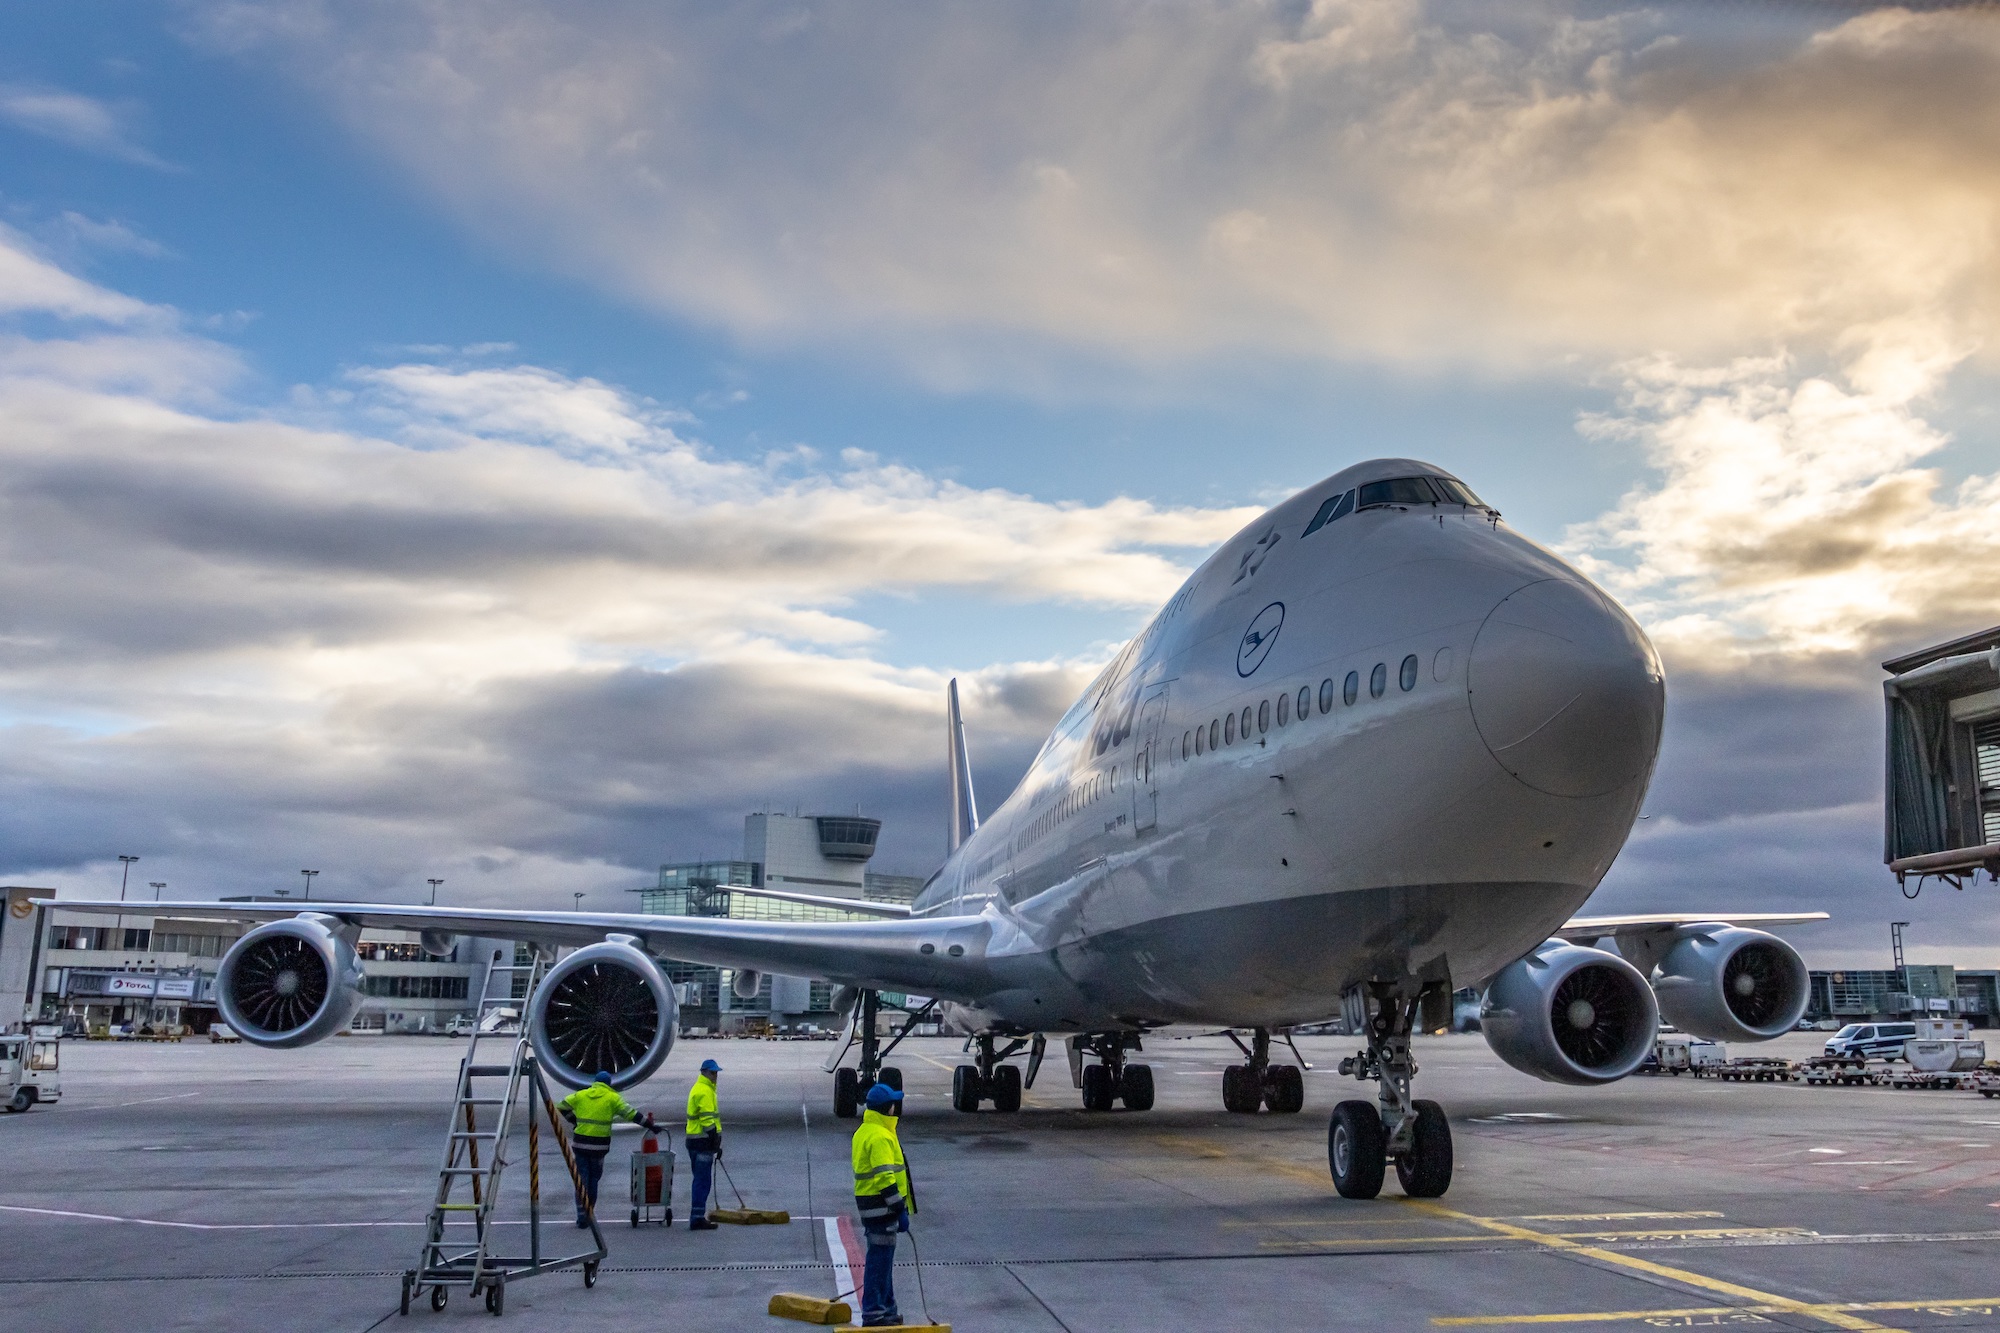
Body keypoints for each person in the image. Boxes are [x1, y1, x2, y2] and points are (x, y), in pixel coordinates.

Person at [850, 1082, 914, 1327]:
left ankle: (886, 1308)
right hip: (882, 1209)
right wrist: (899, 1208)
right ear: (886, 1108)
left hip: (872, 1208)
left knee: (883, 1260)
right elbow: (885, 1178)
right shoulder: (880, 1137)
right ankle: (874, 1312)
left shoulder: (865, 1131)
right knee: (879, 1262)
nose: (895, 1107)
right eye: (893, 1103)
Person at [558, 1070, 655, 1228]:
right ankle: (589, 1213)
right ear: (609, 1084)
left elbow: (561, 1105)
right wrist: (649, 1125)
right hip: (598, 1147)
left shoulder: (581, 1095)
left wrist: (574, 1121)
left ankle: (581, 1216)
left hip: (580, 1144)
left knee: (581, 1179)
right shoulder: (612, 1098)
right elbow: (631, 1114)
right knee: (594, 1180)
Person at [685, 1057, 723, 1230]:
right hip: (702, 1142)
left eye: (716, 1073)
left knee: (700, 1179)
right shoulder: (704, 1091)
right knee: (702, 1181)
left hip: (696, 1141)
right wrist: (715, 1140)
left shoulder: (702, 1088)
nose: (716, 1076)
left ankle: (697, 1215)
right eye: (713, 1073)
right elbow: (707, 1120)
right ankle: (697, 1217)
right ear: (705, 1073)